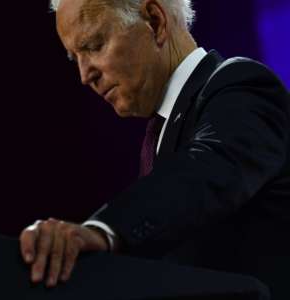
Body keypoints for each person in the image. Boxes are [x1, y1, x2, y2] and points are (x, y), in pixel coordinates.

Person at [20, 0, 290, 297]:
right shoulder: (162, 135)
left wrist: (104, 230)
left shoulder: (242, 86)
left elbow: (208, 170)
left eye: (94, 46)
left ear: (154, 21)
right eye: (76, 58)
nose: (85, 76)